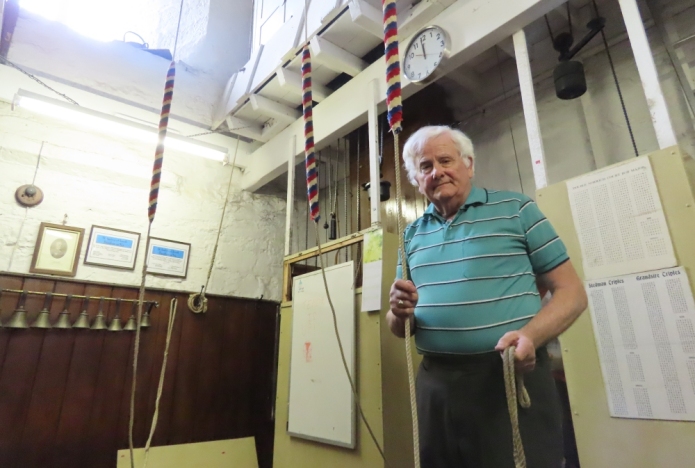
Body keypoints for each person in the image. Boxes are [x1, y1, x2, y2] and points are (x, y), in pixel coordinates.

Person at [387, 126, 587, 468]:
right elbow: (399, 327)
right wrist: (399, 312)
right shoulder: (410, 236)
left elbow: (572, 293)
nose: (437, 171)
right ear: (417, 181)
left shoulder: (517, 211)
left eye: (446, 160)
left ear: (469, 165)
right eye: (425, 166)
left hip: (507, 377)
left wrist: (530, 336)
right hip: (436, 385)